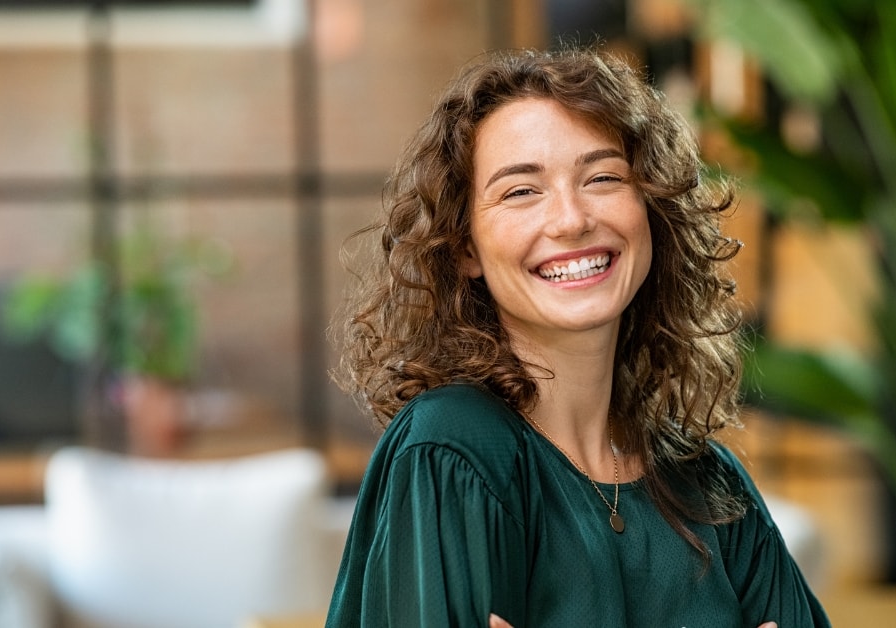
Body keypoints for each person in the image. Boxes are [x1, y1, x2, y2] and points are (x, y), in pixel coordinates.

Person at [326, 47, 830, 627]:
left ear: (651, 210)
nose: (571, 219)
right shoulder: (454, 449)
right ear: (465, 247)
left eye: (603, 177)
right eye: (521, 191)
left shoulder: (708, 484)